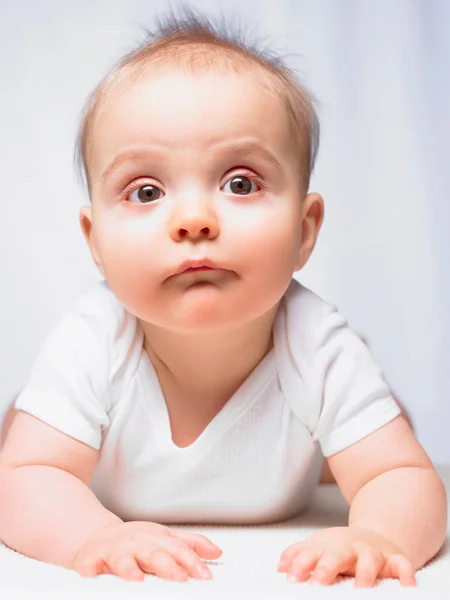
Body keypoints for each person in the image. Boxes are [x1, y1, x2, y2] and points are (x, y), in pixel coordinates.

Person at [0, 5, 445, 589]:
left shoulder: (314, 339)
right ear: (97, 242)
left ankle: (332, 437)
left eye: (240, 183)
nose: (193, 220)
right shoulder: (93, 335)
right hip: (98, 446)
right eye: (146, 190)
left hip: (284, 450)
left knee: (370, 434)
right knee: (18, 437)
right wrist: (92, 534)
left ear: (305, 230)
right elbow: (26, 478)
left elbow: (404, 476)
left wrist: (381, 534)